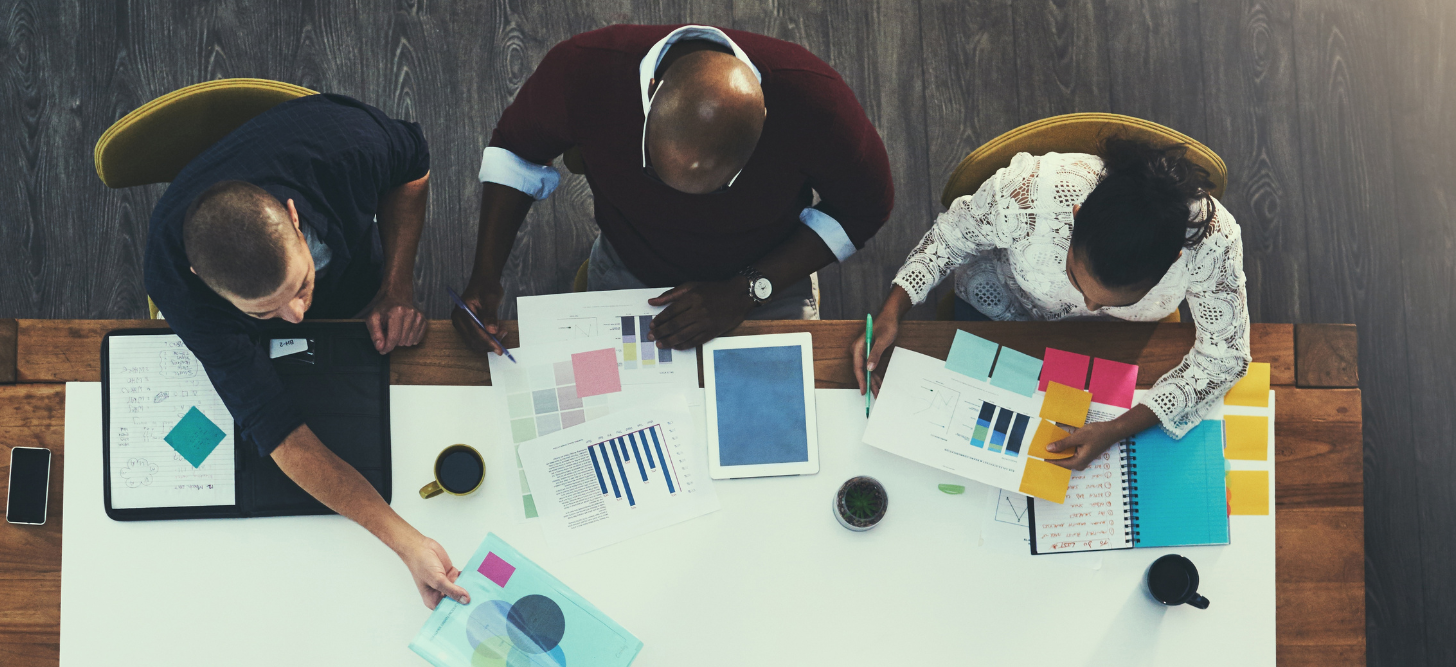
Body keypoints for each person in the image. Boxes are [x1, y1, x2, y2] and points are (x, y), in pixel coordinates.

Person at [145, 92, 469, 610]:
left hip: (355, 270)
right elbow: (279, 433)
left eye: (299, 285)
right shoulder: (176, 285)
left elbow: (414, 167)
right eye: (263, 313)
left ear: (295, 219)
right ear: (201, 284)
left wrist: (396, 288)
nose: (297, 317)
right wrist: (408, 543)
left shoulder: (346, 143)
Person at [457, 24, 894, 353]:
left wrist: (746, 290)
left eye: (720, 188)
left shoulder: (816, 102)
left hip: (767, 278)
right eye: (658, 173)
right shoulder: (582, 70)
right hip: (630, 268)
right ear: (649, 95)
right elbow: (514, 152)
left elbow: (866, 206)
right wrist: (485, 277)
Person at [860, 137, 1251, 471]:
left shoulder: (1213, 245)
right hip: (1005, 312)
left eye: (1117, 300)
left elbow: (1225, 358)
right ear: (1075, 218)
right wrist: (894, 308)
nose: (1091, 308)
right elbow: (951, 239)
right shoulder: (1029, 194)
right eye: (1078, 281)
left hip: (1123, 347)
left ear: (1173, 262)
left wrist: (1117, 429)